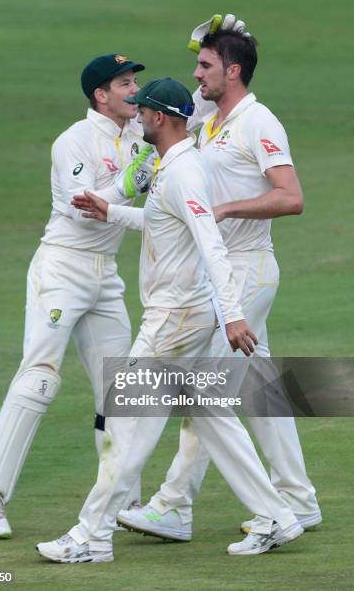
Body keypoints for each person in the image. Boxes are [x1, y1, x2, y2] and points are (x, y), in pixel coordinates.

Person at [36, 77, 305, 563]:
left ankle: (90, 537)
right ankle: (278, 517)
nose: (136, 117)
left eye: (142, 111)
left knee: (127, 422)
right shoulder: (176, 166)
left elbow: (210, 243)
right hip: (184, 313)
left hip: (174, 318)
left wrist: (235, 316)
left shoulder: (181, 172)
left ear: (160, 118)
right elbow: (162, 222)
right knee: (211, 414)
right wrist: (111, 210)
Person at [115, 27, 322, 543]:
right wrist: (203, 38)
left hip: (246, 267)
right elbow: (176, 116)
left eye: (206, 66)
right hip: (225, 269)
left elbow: (291, 196)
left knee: (202, 390)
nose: (195, 74)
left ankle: (174, 504)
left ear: (232, 72)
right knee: (261, 390)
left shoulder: (258, 121)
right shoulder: (210, 119)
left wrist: (225, 209)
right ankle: (298, 499)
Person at [0, 53, 147, 538]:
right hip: (62, 268)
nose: (134, 91)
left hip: (106, 274)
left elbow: (190, 108)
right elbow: (81, 208)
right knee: (39, 380)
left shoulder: (137, 135)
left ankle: (124, 498)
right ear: (100, 95)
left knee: (119, 389)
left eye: (135, 83)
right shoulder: (75, 140)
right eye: (124, 84)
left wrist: (219, 44)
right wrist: (131, 182)